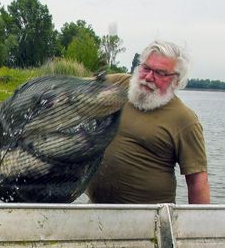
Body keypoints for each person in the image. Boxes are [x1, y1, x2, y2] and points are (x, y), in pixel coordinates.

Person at [86, 40, 210, 204]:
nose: (148, 77)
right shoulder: (119, 84)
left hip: (150, 219)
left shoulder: (184, 120)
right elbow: (74, 87)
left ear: (176, 81)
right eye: (146, 68)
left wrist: (197, 227)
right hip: (96, 211)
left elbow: (197, 183)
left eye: (159, 73)